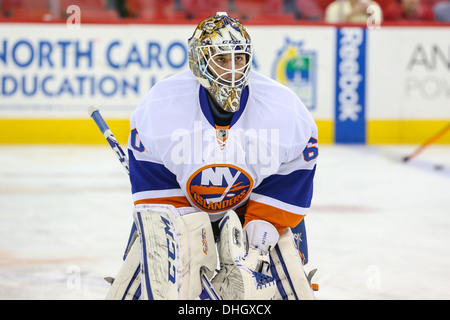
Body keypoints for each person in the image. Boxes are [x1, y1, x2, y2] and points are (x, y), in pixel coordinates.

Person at [105, 12, 319, 300]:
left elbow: (298, 162)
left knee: (278, 283)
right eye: (221, 59)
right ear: (198, 62)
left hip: (253, 209)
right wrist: (184, 231)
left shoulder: (283, 108)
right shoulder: (161, 106)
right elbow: (156, 187)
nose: (233, 71)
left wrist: (263, 225)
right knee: (151, 282)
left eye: (239, 59)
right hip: (182, 206)